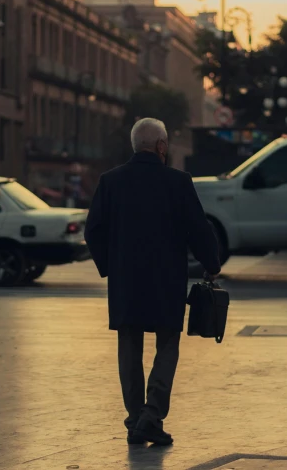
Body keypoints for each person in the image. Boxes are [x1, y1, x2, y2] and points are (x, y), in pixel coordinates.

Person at [84, 117, 222, 446]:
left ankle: (135, 419)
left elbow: (93, 231)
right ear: (161, 146)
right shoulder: (178, 182)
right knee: (167, 345)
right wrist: (211, 264)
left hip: (126, 283)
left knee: (129, 347)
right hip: (166, 281)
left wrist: (110, 267)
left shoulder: (110, 181)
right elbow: (199, 229)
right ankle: (152, 415)